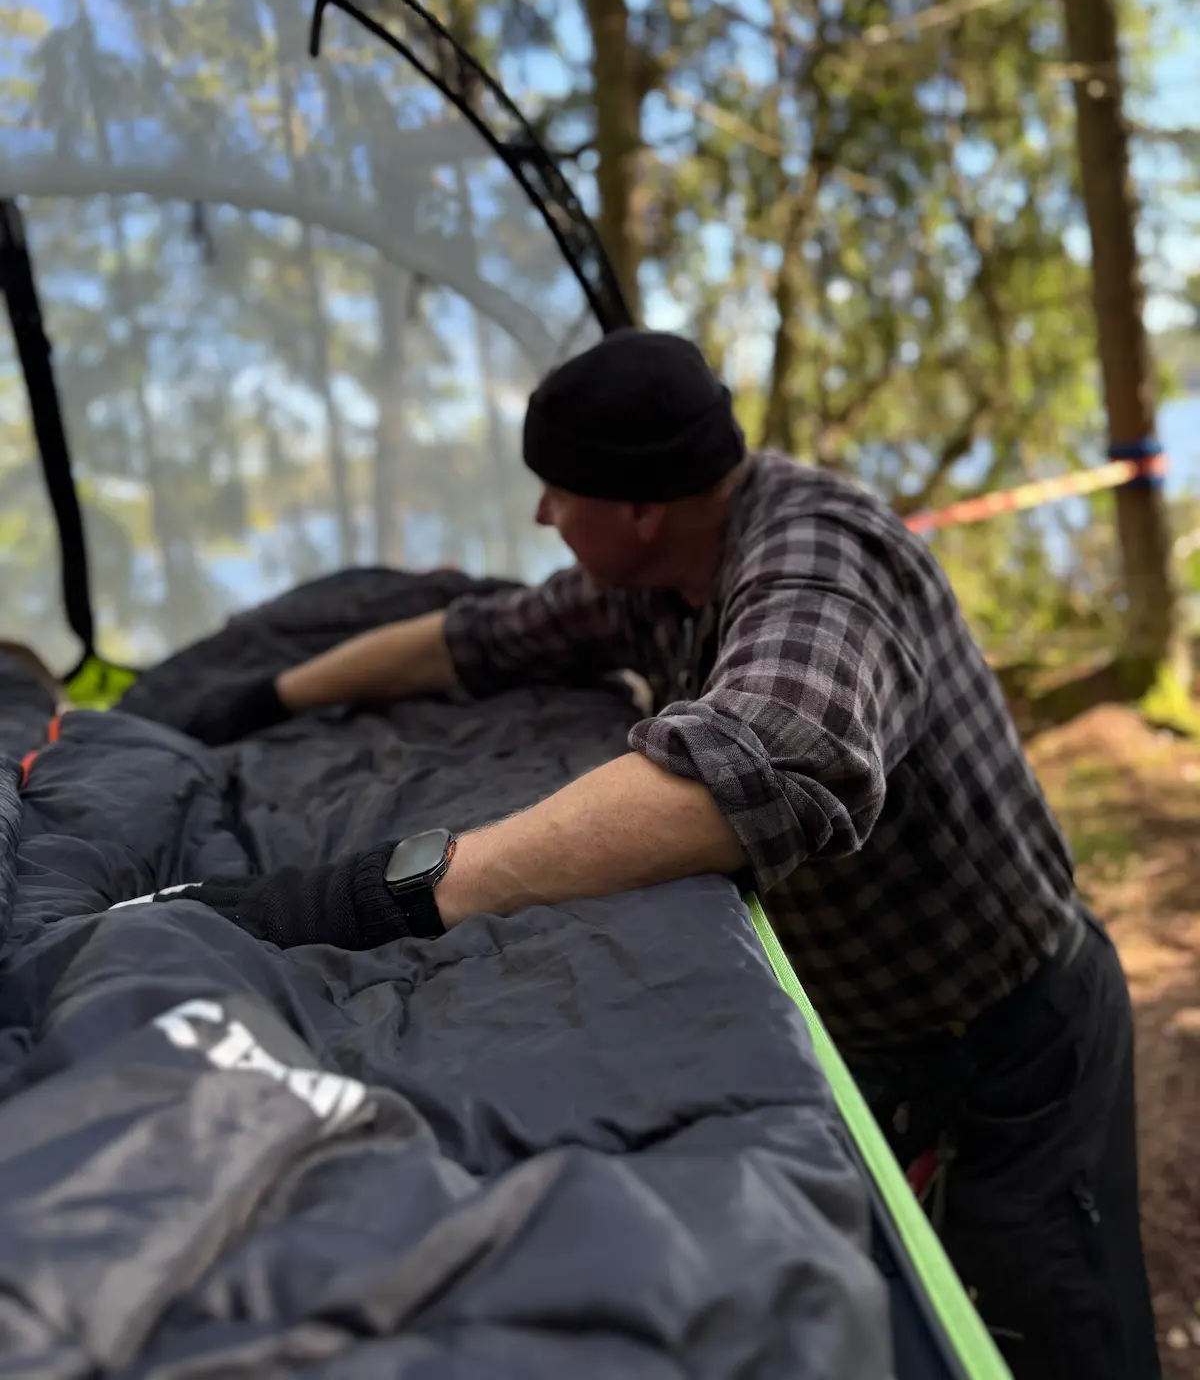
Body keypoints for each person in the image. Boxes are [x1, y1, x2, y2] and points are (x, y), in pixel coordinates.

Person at [161, 329, 1159, 1379]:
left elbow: (760, 760)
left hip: (1015, 1029)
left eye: (558, 491)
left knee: (1054, 1318)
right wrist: (266, 695)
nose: (542, 515)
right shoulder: (656, 572)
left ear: (639, 506)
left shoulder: (822, 555)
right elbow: (468, 638)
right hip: (876, 1031)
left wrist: (383, 891)